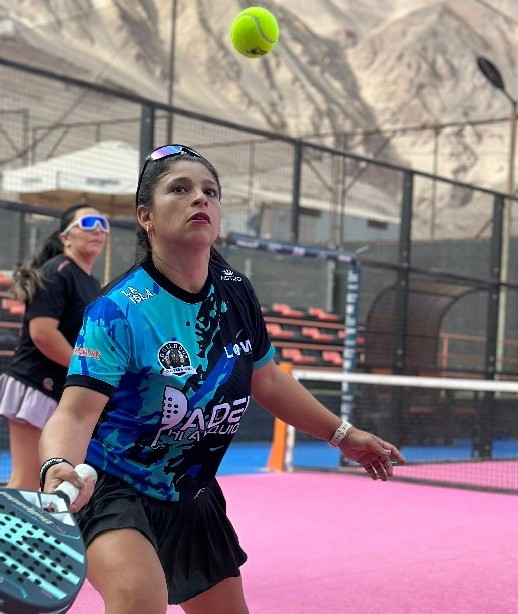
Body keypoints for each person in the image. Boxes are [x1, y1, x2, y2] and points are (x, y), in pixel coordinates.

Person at [38, 145, 406, 614]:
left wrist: (342, 434)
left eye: (210, 191)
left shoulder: (236, 292)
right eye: (180, 189)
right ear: (146, 216)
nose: (200, 198)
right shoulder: (117, 310)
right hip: (115, 485)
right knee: (140, 600)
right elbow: (74, 413)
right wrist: (56, 465)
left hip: (191, 491)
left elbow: (267, 381)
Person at [0, 203, 107, 490]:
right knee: (26, 478)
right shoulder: (57, 272)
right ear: (66, 237)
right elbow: (43, 333)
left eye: (103, 225)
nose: (98, 230)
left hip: (61, 391)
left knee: (54, 480)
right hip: (35, 385)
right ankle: (1, 523)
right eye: (88, 224)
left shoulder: (91, 282)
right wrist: (84, 370)